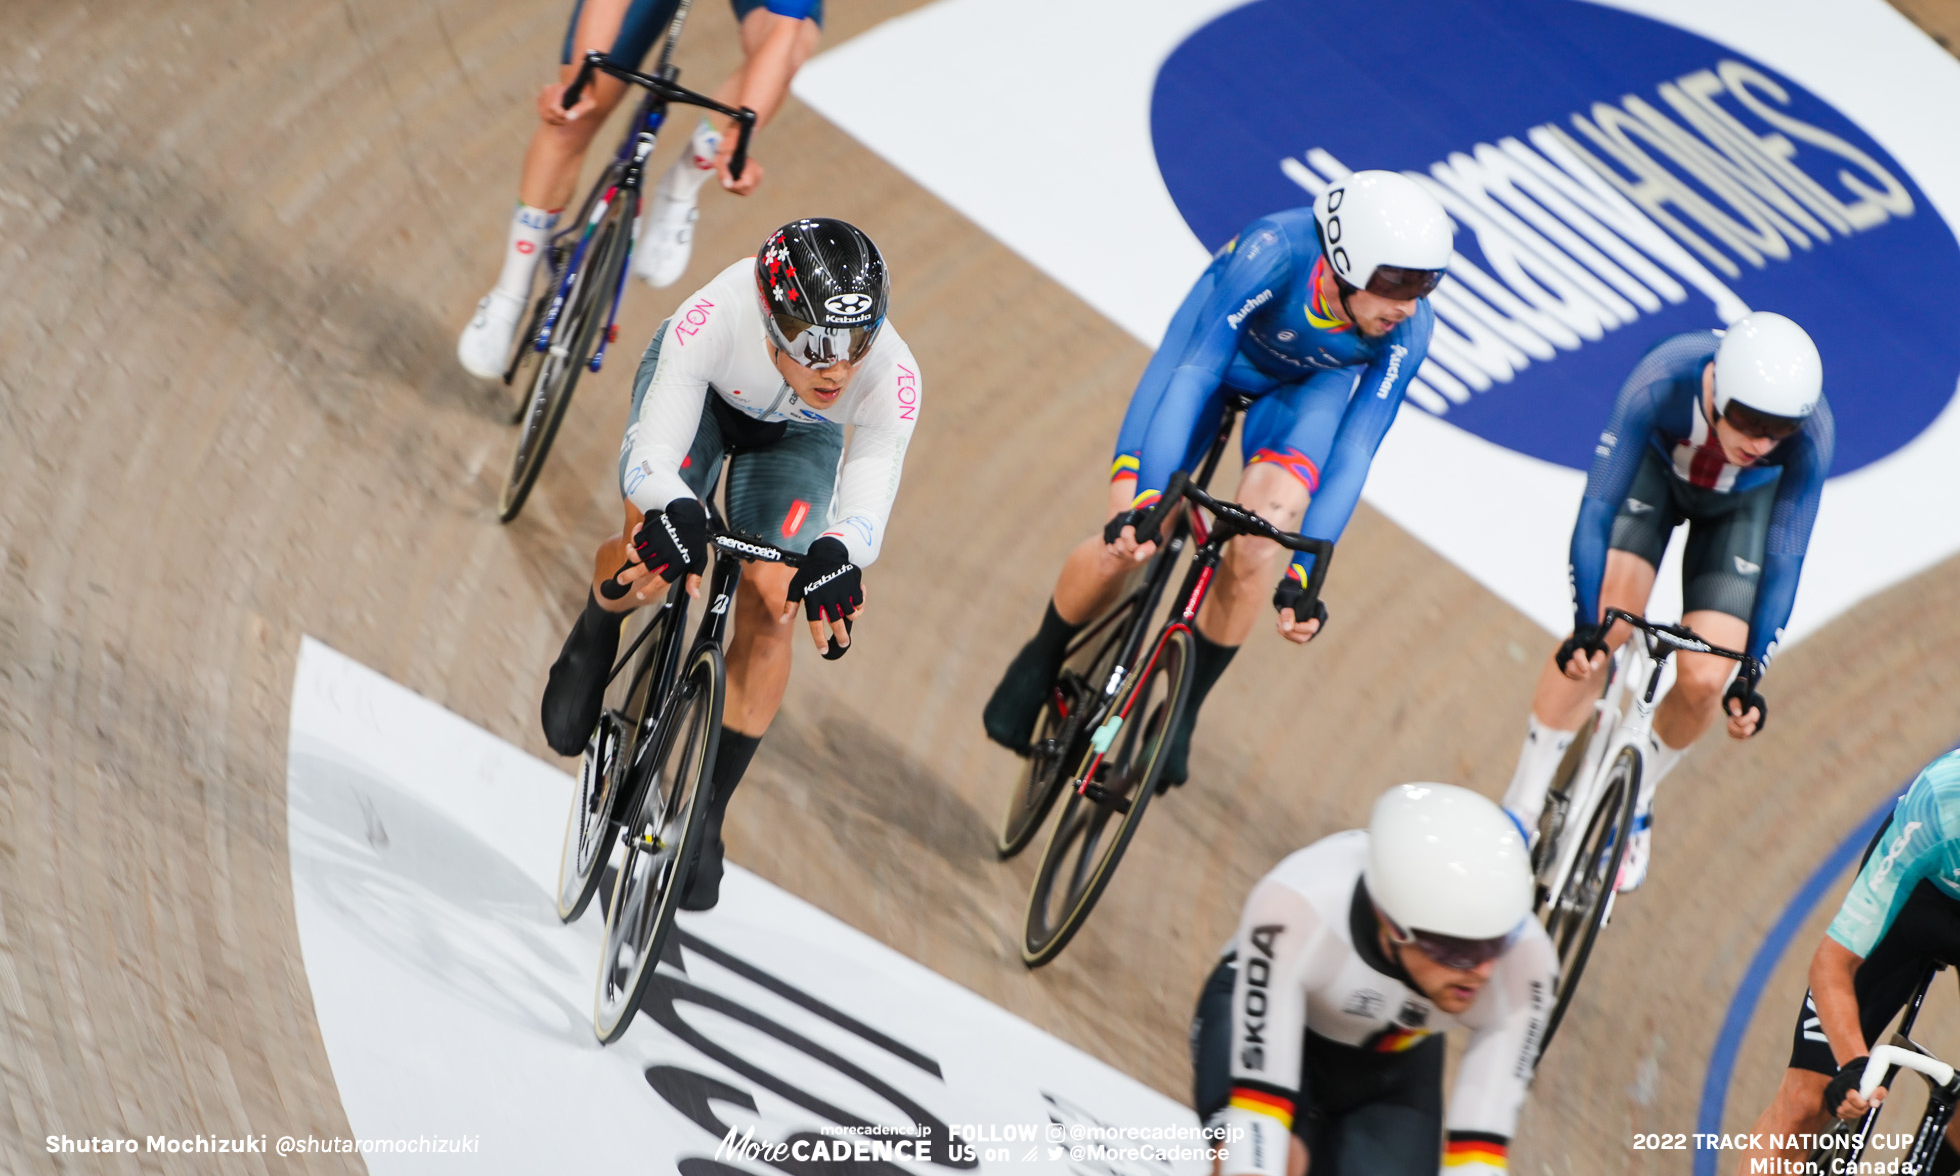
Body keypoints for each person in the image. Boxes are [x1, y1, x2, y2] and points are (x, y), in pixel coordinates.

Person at [981, 171, 1450, 789]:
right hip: (1214, 358)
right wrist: (1149, 502)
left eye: (1427, 286)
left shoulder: (1407, 333)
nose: (1408, 306)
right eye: (1397, 283)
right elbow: (1197, 369)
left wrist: (1307, 572)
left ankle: (1181, 711)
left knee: (1261, 545)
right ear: (1344, 261)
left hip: (1306, 390)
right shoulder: (1275, 252)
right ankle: (1040, 656)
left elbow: (1357, 448)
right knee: (1131, 541)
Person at [539, 217, 920, 909]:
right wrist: (670, 506)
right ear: (774, 322)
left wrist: (839, 553)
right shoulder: (713, 316)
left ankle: (707, 808)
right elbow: (653, 459)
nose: (838, 368)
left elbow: (867, 498)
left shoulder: (891, 374)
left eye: (857, 344)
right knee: (652, 556)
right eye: (817, 346)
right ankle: (599, 623)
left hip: (799, 440)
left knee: (776, 600)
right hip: (702, 404)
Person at [1500, 313, 1832, 891]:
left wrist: (1752, 671)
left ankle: (1637, 796)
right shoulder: (1663, 377)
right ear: (1718, 388)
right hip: (1653, 477)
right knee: (1606, 633)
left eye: (1778, 431)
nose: (1759, 443)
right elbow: (1597, 509)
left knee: (1707, 679)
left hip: (1737, 510)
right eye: (1750, 420)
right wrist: (1586, 627)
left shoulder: (1812, 435)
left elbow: (1785, 559)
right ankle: (1519, 809)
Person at [457, 0, 851, 378]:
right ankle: (508, 295)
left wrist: (739, 139)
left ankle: (683, 184)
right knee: (576, 111)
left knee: (790, 52)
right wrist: (579, 80)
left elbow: (780, 33)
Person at [1187, 782, 1554, 1176]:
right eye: (1456, 950)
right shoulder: (1295, 909)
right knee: (1273, 1167)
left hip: (1390, 1069)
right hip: (1269, 1019)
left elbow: (1479, 1158)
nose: (1484, 969)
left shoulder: (1526, 967)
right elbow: (1258, 1137)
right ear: (1391, 924)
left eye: (1497, 941)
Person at [1729, 749, 1960, 1176]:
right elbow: (1831, 963)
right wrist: (1854, 1063)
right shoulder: (1940, 802)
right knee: (1803, 1104)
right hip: (1917, 897)